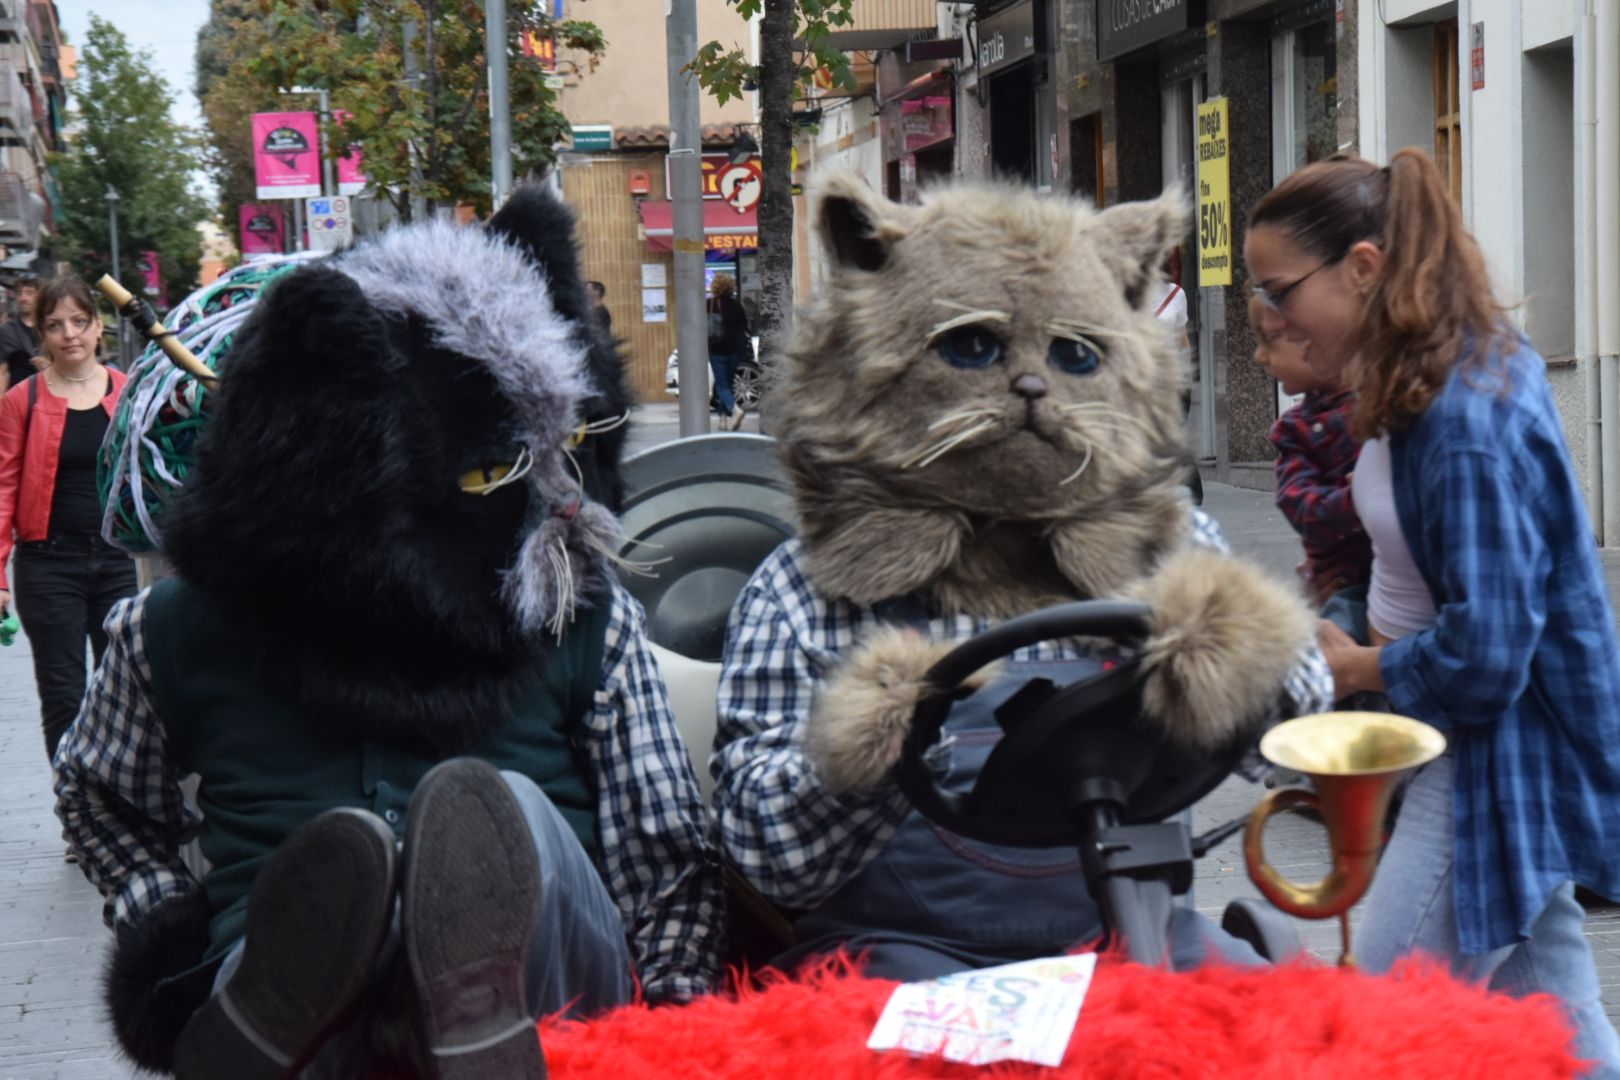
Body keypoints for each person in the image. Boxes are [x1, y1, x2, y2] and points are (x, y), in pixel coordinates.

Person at [53, 188, 720, 1079]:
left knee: (503, 814)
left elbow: (665, 855)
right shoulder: (170, 632)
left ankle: (463, 1007)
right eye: (493, 470)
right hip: (305, 1003)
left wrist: (677, 1030)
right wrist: (167, 924)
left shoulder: (579, 611)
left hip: (554, 998)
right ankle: (276, 989)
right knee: (309, 903)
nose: (562, 509)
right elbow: (99, 791)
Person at [1245, 148, 1620, 1075]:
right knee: (1563, 1022)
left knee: (1377, 1034)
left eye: (1278, 291)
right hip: (1483, 749)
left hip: (1490, 758)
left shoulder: (1465, 418)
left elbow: (1490, 653)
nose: (1267, 318)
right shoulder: (1427, 381)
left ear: (1363, 269)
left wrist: (1361, 666)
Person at [0, 276, 137, 780]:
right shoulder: (22, 400)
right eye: (55, 325)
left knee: (122, 690)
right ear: (41, 333)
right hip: (48, 565)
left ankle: (121, 806)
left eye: (80, 322)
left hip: (118, 560)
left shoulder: (128, 392)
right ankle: (79, 813)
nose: (69, 334)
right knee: (64, 696)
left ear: (99, 327)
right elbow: (3, 490)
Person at [1248, 294, 1371, 608]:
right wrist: (1357, 500)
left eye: (1271, 340)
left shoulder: (1382, 401)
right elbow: (1300, 506)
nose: (1260, 356)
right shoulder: (1295, 429)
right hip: (1348, 587)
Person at [706, 273, 749, 431]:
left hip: (716, 349)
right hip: (734, 350)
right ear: (731, 286)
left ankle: (734, 410)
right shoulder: (736, 305)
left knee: (722, 385)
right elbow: (744, 326)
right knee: (727, 385)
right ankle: (722, 420)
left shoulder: (709, 304)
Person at [0, 276, 42, 392]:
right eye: (19, 293)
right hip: (18, 398)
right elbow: (2, 373)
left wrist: (50, 367)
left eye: (29, 293)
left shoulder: (51, 326)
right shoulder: (6, 331)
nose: (23, 298)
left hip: (50, 395)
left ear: (39, 296)